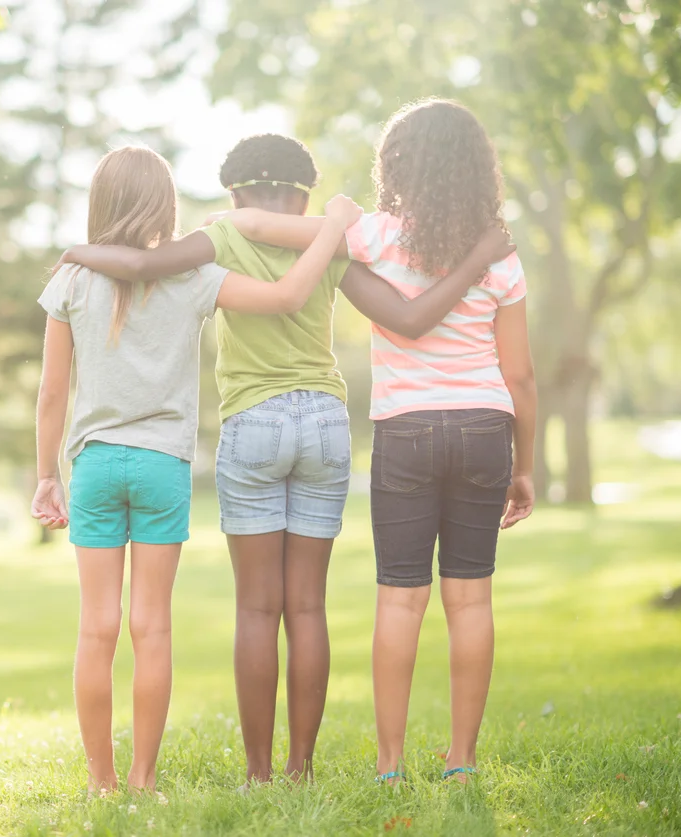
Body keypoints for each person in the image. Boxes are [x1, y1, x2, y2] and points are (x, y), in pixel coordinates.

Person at [58, 134, 514, 784]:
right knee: (307, 606)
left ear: (236, 194)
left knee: (256, 608)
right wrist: (466, 259)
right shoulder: (327, 242)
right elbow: (407, 312)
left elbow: (138, 264)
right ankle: (302, 765)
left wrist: (79, 251)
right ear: (302, 194)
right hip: (325, 423)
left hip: (254, 421)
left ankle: (259, 772)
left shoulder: (220, 238)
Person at [222, 100, 538, 784]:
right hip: (486, 425)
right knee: (471, 600)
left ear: (394, 167)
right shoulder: (500, 255)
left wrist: (263, 216)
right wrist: (527, 467)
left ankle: (390, 764)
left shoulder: (372, 236)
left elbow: (259, 225)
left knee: (400, 597)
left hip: (408, 429)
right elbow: (520, 373)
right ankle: (461, 761)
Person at [31, 144, 361, 794]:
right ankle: (144, 778)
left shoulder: (70, 281)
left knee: (96, 627)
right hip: (162, 467)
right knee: (151, 625)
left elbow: (51, 392)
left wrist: (46, 475)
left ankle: (101, 780)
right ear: (166, 206)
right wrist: (336, 226)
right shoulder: (194, 279)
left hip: (95, 465)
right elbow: (288, 295)